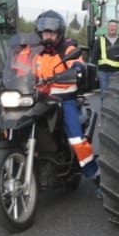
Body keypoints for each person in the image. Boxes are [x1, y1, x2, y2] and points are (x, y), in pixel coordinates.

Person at [32, 10, 98, 182]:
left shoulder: (67, 48)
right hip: (39, 98)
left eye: (51, 33)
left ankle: (95, 176)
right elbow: (21, 68)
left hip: (64, 100)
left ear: (58, 34)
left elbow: (77, 63)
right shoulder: (34, 52)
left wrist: (76, 70)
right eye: (45, 33)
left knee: (76, 140)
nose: (48, 36)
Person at [95, 18, 119, 95]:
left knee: (117, 95)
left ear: (117, 28)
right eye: (110, 26)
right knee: (104, 94)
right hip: (104, 72)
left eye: (114, 26)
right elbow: (94, 56)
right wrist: (94, 73)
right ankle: (104, 107)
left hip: (118, 72)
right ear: (107, 27)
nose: (112, 27)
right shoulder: (100, 40)